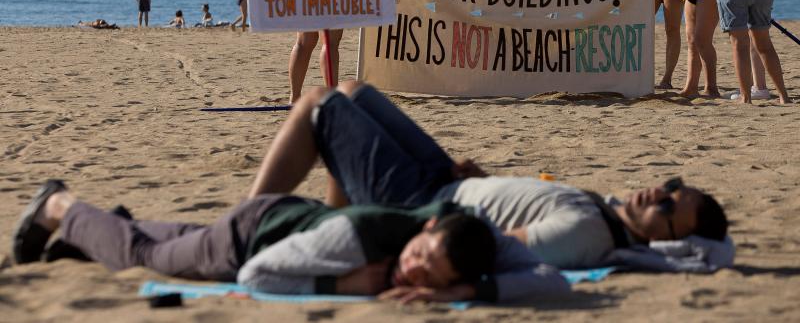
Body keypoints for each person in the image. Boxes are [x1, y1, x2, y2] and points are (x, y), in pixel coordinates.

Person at [247, 81, 729, 270]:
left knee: (319, 104)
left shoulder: (584, 234)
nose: (658, 194)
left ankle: (247, 226)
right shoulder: (603, 212)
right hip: (451, 181)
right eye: (672, 188)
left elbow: (493, 248)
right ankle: (332, 226)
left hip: (424, 205)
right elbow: (516, 208)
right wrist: (485, 180)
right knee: (354, 92)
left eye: (667, 207)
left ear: (665, 240)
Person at [12, 180, 569, 303]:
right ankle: (61, 207)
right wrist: (341, 285)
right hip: (250, 240)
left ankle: (91, 236)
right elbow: (255, 276)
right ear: (426, 230)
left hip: (290, 221)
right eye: (419, 258)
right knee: (148, 257)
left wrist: (459, 292)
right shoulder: (357, 242)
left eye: (431, 276)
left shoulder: (473, 235)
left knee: (183, 238)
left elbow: (554, 283)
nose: (414, 272)